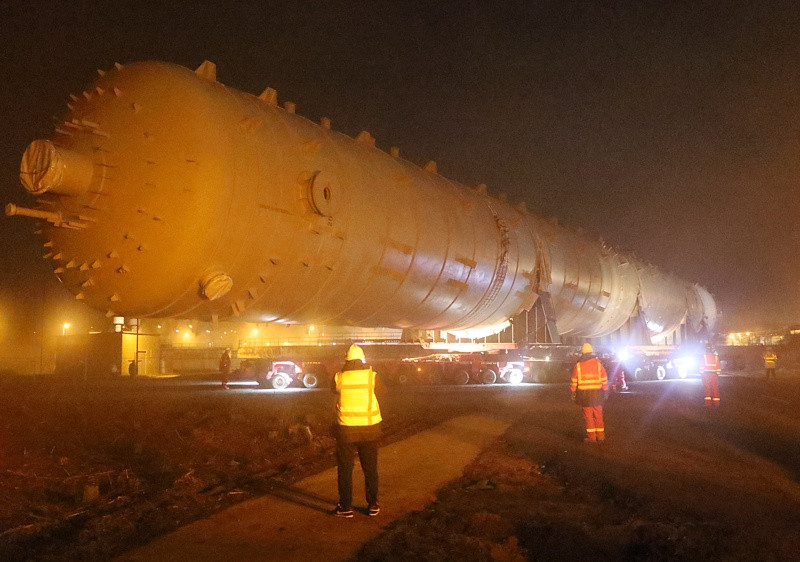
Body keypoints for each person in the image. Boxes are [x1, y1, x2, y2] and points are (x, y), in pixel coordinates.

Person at [332, 344, 386, 518]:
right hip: (370, 429)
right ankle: (372, 505)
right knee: (370, 468)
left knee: (345, 469)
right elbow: (383, 391)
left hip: (346, 430)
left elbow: (333, 390)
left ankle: (345, 507)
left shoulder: (339, 378)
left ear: (346, 360)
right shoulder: (372, 376)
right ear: (362, 360)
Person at [570, 343, 609, 443]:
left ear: (582, 353)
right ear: (591, 352)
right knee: (598, 414)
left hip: (585, 395)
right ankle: (600, 436)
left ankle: (591, 437)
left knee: (588, 416)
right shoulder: (598, 364)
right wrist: (605, 390)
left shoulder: (578, 366)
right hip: (597, 394)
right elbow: (604, 378)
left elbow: (574, 380)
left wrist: (573, 392)